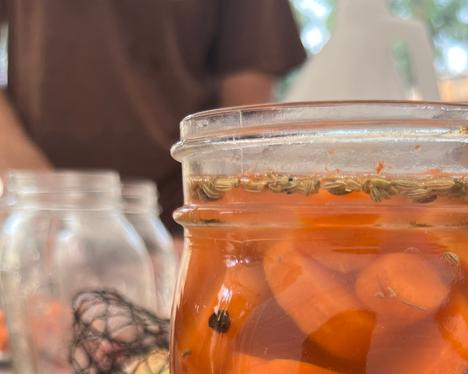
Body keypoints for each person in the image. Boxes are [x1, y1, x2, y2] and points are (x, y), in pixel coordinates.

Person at [0, 1, 306, 227]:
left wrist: (215, 225)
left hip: (180, 215)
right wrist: (36, 189)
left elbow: (246, 114)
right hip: (38, 213)